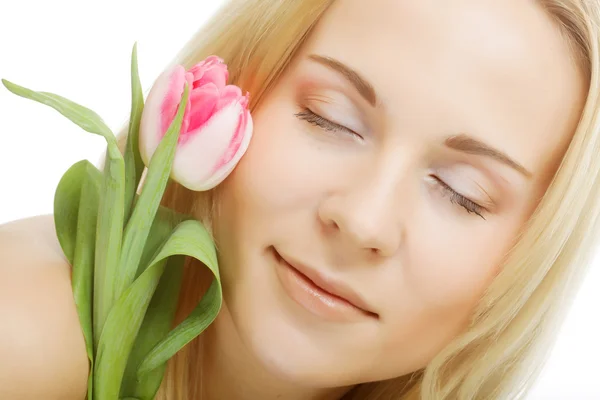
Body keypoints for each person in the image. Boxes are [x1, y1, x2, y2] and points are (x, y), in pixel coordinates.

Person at [1, 0, 599, 399]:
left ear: (530, 255)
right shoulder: (24, 337)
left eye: (461, 193)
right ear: (242, 85)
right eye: (330, 118)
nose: (362, 218)